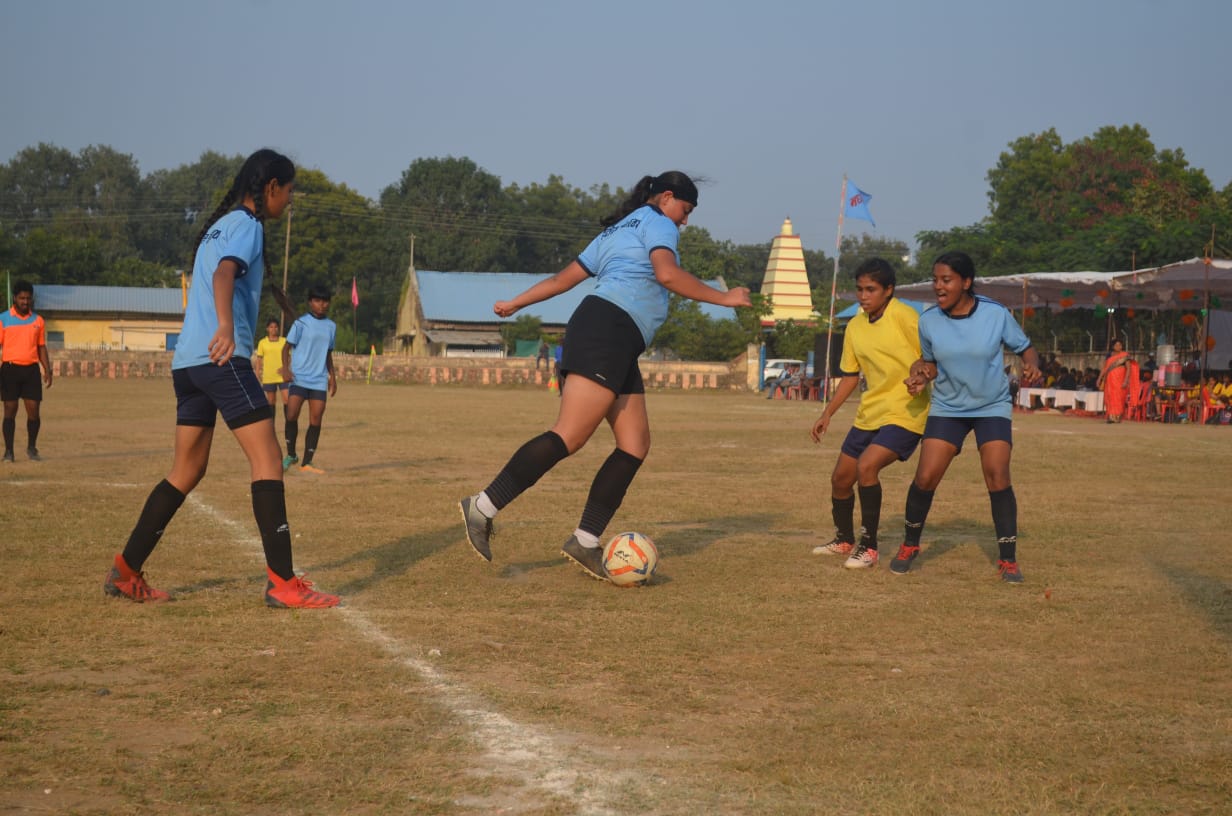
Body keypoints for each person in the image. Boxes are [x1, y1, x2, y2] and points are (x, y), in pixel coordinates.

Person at [458, 171, 752, 580]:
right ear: (668, 198)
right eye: (685, 211)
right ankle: (483, 506)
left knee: (634, 445)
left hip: (615, 337)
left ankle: (585, 541)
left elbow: (563, 280)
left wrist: (516, 303)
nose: (685, 221)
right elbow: (667, 275)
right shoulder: (658, 223)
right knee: (569, 434)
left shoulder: (619, 229)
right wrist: (724, 298)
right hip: (608, 332)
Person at [104, 149, 339, 608]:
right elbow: (225, 273)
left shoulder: (221, 224)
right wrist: (228, 329)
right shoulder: (247, 225)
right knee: (269, 458)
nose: (289, 201)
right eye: (288, 191)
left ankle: (125, 571)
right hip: (220, 357)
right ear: (271, 186)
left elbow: (219, 271)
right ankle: (283, 585)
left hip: (189, 364)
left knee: (186, 469)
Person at [894, 251, 1042, 584]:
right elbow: (929, 363)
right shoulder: (929, 321)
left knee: (997, 473)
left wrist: (1033, 365)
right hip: (948, 407)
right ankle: (909, 545)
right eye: (935, 280)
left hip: (991, 406)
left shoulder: (995, 314)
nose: (938, 286)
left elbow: (1026, 348)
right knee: (926, 476)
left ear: (966, 282)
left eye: (946, 280)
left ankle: (1008, 560)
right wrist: (919, 374)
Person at [810, 258, 930, 569]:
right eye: (860, 289)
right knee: (840, 479)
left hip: (906, 411)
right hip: (870, 413)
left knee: (867, 468)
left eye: (871, 290)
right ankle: (844, 539)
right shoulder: (855, 326)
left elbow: (932, 357)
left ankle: (869, 547)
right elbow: (851, 375)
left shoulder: (905, 316)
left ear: (889, 290)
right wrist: (828, 414)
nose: (864, 296)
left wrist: (922, 377)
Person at [281, 284, 337, 474]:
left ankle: (307, 461)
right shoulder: (300, 323)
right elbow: (285, 348)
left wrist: (333, 377)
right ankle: (291, 455)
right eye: (317, 301)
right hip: (299, 377)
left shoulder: (331, 326)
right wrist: (286, 370)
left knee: (316, 419)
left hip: (319, 380)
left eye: (325, 301)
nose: (321, 305)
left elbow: (328, 354)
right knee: (291, 414)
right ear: (310, 302)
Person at [0, 281, 53, 462]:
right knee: (10, 409)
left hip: (31, 370)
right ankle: (8, 452)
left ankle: (32, 448)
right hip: (10, 369)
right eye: (22, 298)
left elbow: (41, 347)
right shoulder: (3, 319)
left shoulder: (38, 321)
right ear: (15, 298)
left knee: (34, 411)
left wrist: (47, 368)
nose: (25, 302)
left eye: (28, 298)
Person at [255, 317, 290, 409]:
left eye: (275, 327)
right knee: (271, 401)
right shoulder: (262, 342)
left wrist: (285, 368)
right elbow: (259, 360)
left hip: (283, 375)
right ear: (267, 329)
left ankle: (289, 423)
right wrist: (257, 374)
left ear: (278, 328)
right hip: (269, 376)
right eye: (271, 327)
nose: (273, 329)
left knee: (287, 399)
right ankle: (271, 423)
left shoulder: (284, 341)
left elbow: (289, 357)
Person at [1096, 339, 1133, 423]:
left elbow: (1128, 369)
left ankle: (1117, 416)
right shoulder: (1109, 356)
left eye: (1120, 345)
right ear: (1113, 346)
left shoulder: (1125, 355)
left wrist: (1126, 380)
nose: (1119, 347)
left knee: (1118, 397)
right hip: (1110, 380)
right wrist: (1099, 378)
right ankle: (1111, 416)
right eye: (1116, 345)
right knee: (1109, 397)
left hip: (1120, 380)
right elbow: (1105, 368)